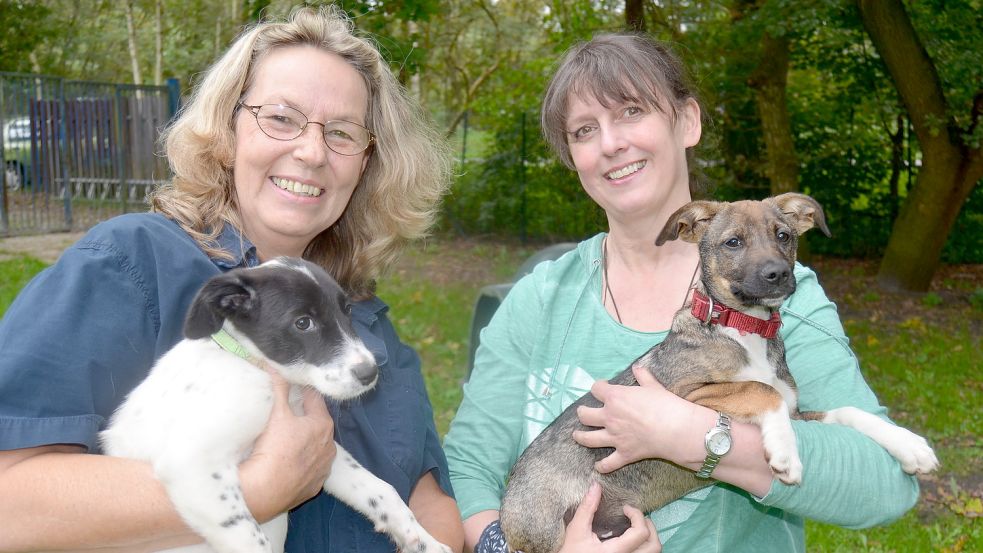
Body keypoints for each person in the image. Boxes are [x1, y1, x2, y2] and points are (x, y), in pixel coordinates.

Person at [0, 6, 463, 552]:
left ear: (367, 162)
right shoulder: (130, 264)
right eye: (282, 118)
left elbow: (436, 512)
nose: (312, 152)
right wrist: (259, 488)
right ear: (227, 130)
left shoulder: (370, 325)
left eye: (342, 133)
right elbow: (11, 505)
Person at [443, 32, 922, 553]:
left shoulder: (785, 300)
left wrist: (700, 440)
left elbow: (885, 485)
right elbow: (466, 470)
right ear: (573, 157)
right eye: (584, 130)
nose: (609, 143)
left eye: (630, 111)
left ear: (687, 121)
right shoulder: (540, 299)